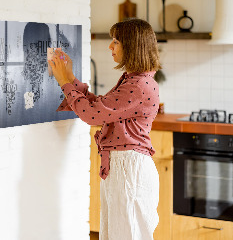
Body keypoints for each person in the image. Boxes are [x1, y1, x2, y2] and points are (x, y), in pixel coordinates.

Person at [49, 18, 161, 240]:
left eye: (116, 41)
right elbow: (100, 107)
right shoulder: (134, 80)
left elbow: (92, 115)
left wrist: (64, 82)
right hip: (124, 167)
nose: (110, 46)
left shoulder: (138, 85)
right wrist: (70, 78)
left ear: (132, 46)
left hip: (129, 169)